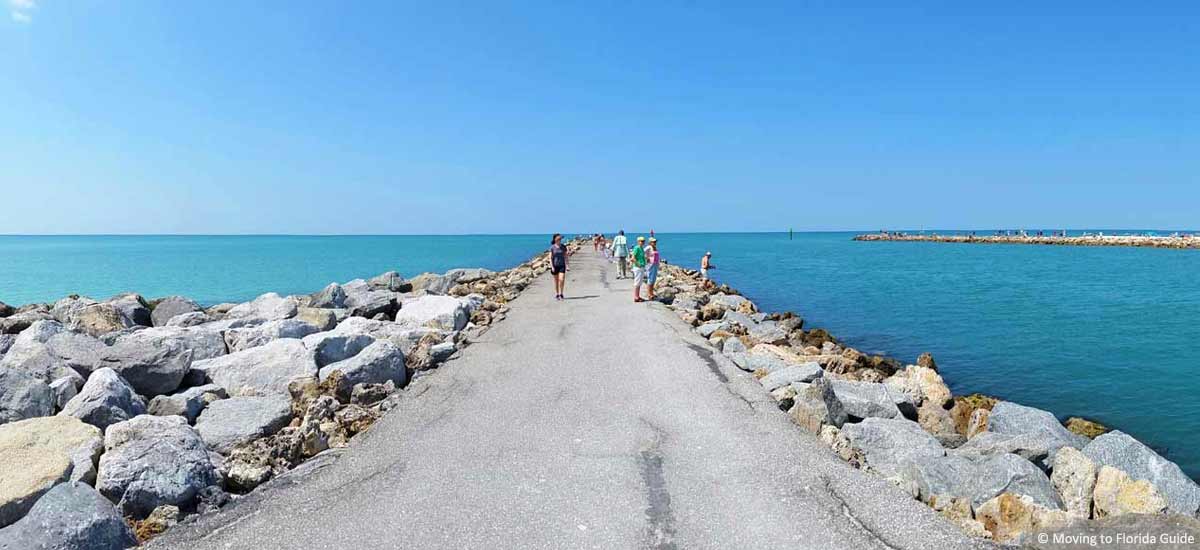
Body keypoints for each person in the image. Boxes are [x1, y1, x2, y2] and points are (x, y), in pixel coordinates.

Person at [549, 233, 568, 300]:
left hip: (562, 266)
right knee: (556, 281)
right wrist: (552, 267)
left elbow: (566, 257)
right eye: (558, 239)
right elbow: (550, 258)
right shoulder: (552, 247)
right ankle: (557, 294)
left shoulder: (563, 247)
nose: (559, 240)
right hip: (555, 266)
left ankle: (561, 293)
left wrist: (567, 265)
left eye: (560, 239)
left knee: (561, 279)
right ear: (555, 239)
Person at [631, 236, 647, 302]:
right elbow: (632, 258)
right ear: (638, 241)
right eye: (641, 241)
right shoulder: (637, 248)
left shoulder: (641, 248)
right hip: (638, 267)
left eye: (643, 241)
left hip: (642, 266)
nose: (642, 242)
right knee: (637, 282)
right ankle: (636, 297)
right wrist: (638, 264)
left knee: (639, 282)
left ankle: (637, 296)